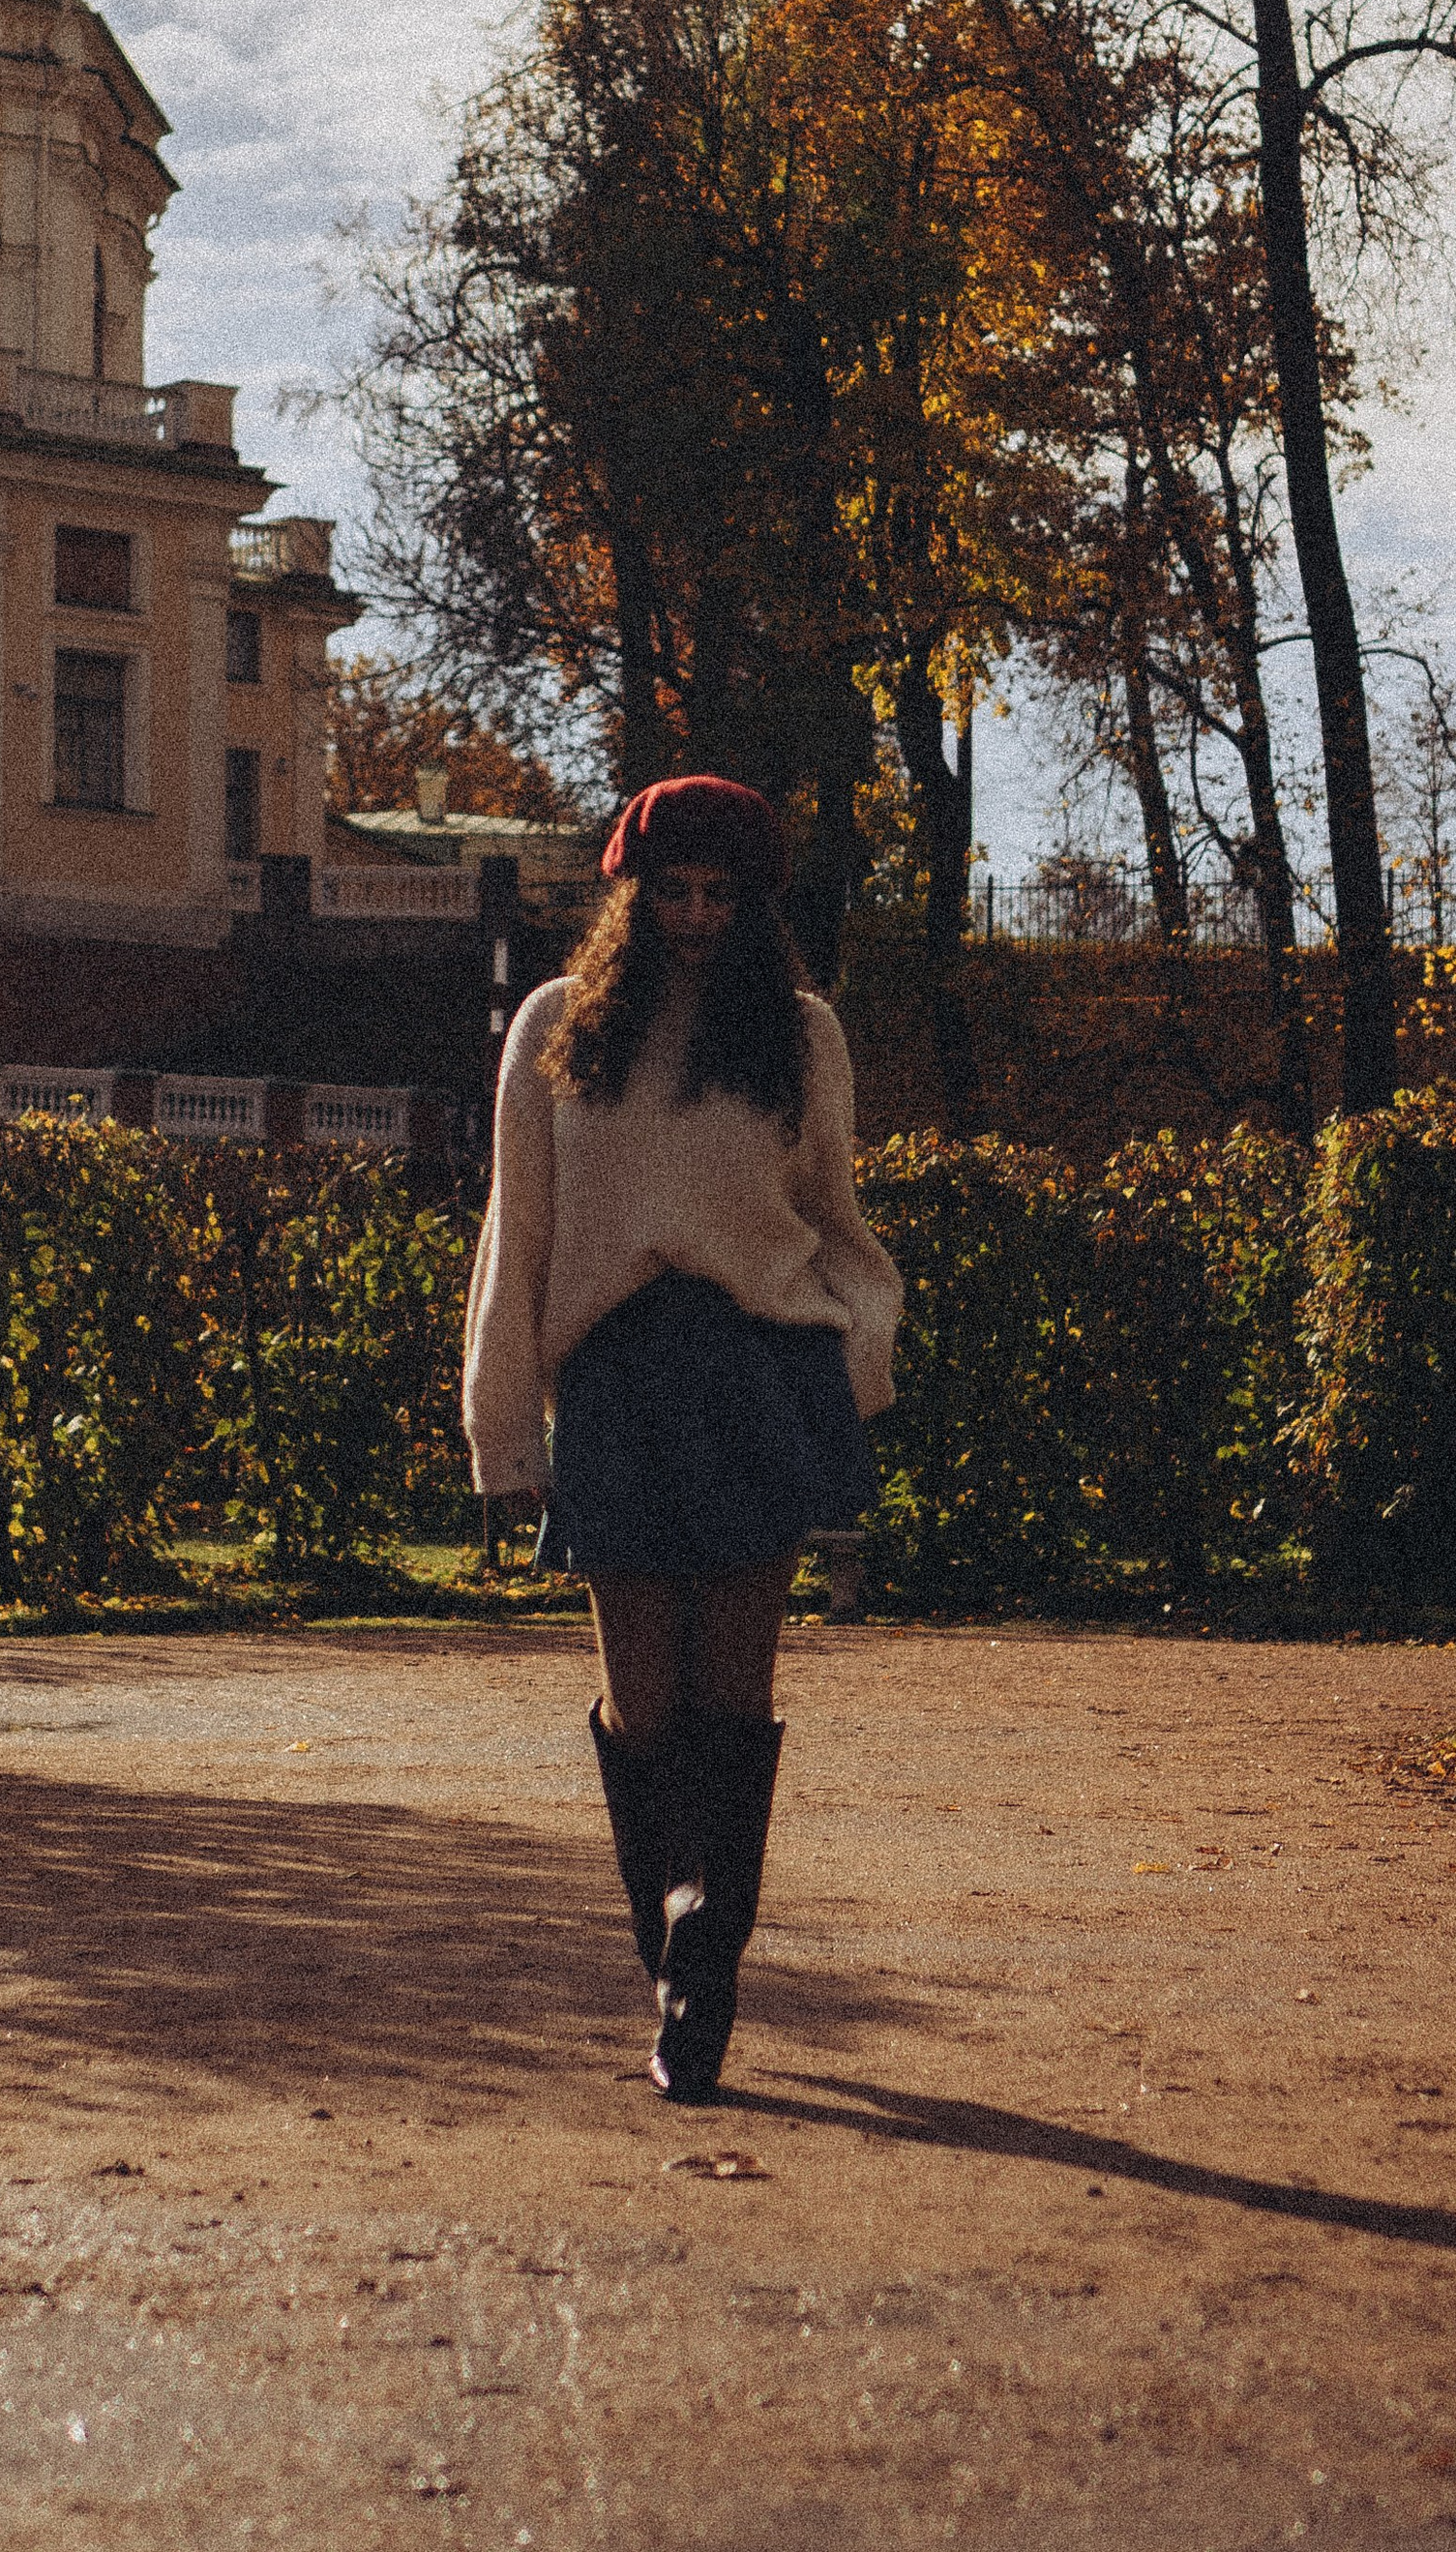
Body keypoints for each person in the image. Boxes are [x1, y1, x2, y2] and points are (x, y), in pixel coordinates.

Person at [462, 774, 903, 2104]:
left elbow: (834, 1216)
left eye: (724, 896)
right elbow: (517, 1233)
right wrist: (502, 1425)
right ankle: (664, 1932)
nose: (701, 916)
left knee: (735, 1691)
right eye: (677, 892)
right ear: (631, 894)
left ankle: (707, 1974)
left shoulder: (801, 1037)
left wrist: (853, 1356)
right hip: (617, 1387)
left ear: (754, 905)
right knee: (642, 1698)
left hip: (756, 1376)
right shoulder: (555, 1030)